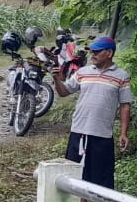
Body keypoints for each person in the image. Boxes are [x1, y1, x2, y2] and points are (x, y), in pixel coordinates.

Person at [51, 35, 132, 189]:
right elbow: (64, 92)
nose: (93, 55)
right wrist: (56, 79)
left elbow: (125, 105)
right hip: (79, 129)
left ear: (109, 53)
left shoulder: (121, 76)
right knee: (75, 172)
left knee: (103, 174)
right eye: (92, 51)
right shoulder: (83, 72)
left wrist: (123, 133)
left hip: (102, 133)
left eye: (97, 51)